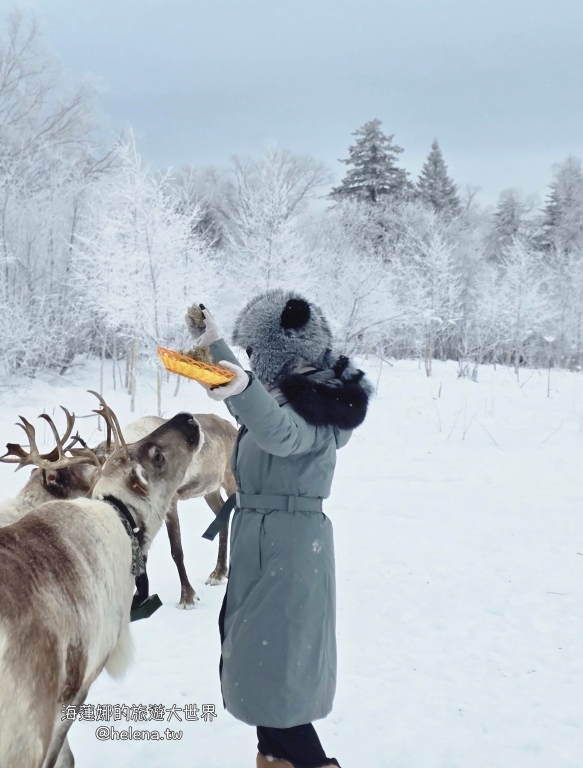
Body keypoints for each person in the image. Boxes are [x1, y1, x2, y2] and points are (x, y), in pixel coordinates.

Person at [185, 290, 373, 768]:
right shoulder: (286, 394)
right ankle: (272, 758)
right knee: (257, 665)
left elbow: (278, 432)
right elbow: (251, 409)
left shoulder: (317, 401)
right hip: (265, 538)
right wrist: (212, 347)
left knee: (277, 674)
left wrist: (243, 385)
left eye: (255, 350)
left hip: (289, 545)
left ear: (280, 348)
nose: (252, 359)